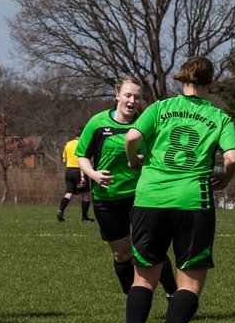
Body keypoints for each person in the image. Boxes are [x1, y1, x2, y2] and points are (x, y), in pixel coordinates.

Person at [119, 56, 235, 323]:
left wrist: (135, 161)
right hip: (193, 202)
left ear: (180, 79)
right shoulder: (219, 117)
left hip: (150, 198)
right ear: (209, 83)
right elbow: (232, 157)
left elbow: (131, 138)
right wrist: (225, 180)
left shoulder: (159, 108)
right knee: (190, 282)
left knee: (143, 278)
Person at [76, 77, 177, 296]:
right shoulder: (98, 123)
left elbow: (157, 155)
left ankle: (173, 295)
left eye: (137, 97)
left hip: (140, 196)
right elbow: (81, 155)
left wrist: (143, 158)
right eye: (128, 95)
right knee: (121, 255)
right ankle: (134, 298)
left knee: (150, 248)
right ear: (117, 96)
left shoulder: (146, 123)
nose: (132, 100)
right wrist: (93, 174)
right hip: (107, 199)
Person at [58, 137, 92, 223]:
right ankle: (84, 217)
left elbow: (64, 160)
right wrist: (82, 176)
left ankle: (60, 211)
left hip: (69, 171)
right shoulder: (82, 144)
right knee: (86, 194)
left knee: (69, 193)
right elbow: (82, 161)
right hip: (79, 171)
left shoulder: (68, 144)